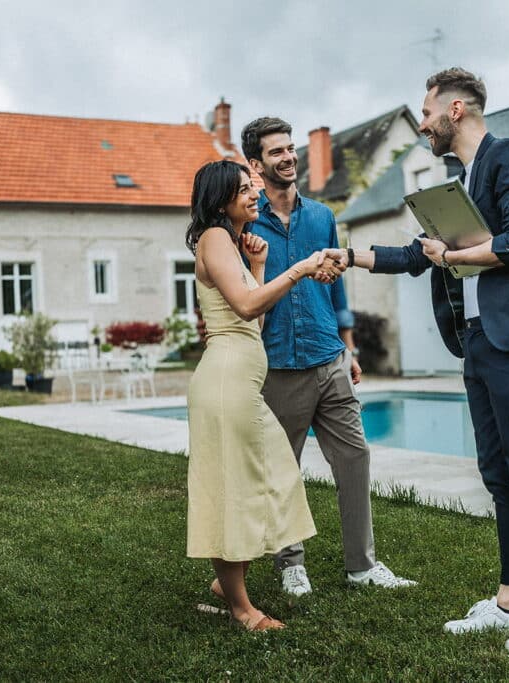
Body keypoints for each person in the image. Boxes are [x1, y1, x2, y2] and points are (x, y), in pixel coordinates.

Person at [325, 68, 509, 655]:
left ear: (457, 110)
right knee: (498, 473)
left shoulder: (506, 156)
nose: (421, 123)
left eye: (427, 112)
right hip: (475, 339)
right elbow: (416, 257)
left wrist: (455, 252)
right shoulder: (457, 181)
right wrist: (345, 255)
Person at [240, 116, 416, 595]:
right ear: (256, 164)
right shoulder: (245, 224)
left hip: (329, 356)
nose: (288, 157)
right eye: (276, 151)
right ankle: (290, 562)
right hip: (277, 364)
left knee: (355, 457)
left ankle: (362, 565)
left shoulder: (321, 217)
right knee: (283, 468)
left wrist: (350, 346)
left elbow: (336, 282)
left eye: (290, 148)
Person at [185, 159, 336, 631]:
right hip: (226, 383)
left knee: (266, 478)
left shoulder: (231, 245)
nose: (255, 194)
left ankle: (225, 582)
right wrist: (301, 268)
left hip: (240, 379)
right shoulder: (213, 238)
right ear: (220, 198)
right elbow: (248, 304)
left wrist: (259, 264)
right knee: (234, 489)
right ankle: (241, 608)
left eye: (254, 188)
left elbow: (255, 320)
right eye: (245, 189)